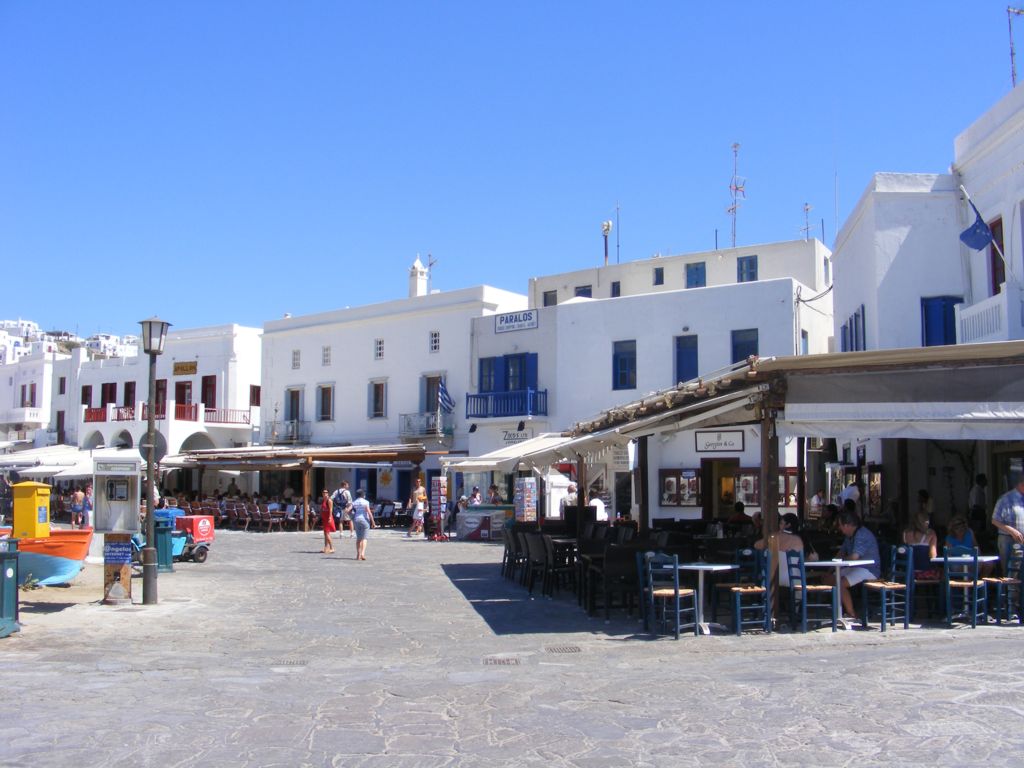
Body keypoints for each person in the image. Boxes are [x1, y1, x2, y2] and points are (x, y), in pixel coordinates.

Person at [826, 510, 881, 621]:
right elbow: (841, 552)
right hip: (855, 567)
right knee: (828, 579)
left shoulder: (862, 534)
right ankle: (838, 608)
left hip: (869, 569)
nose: (839, 528)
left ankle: (851, 614)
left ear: (847, 525)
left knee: (840, 583)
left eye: (840, 525)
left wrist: (839, 561)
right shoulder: (849, 536)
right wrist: (830, 570)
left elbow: (855, 556)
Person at [754, 512, 806, 587]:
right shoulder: (798, 540)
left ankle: (767, 597)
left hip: (771, 578)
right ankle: (798, 598)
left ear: (788, 525)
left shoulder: (774, 538)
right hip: (793, 579)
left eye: (781, 523)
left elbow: (756, 545)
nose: (779, 525)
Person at [992, 472, 1024, 576]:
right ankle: (1007, 592)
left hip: (1021, 541)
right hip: (1007, 539)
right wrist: (1012, 530)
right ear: (1021, 484)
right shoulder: (1006, 499)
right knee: (1009, 572)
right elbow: (995, 520)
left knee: (1020, 572)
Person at [902, 508, 939, 580]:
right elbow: (933, 555)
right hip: (924, 572)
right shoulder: (931, 533)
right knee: (944, 572)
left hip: (909, 572)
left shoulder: (905, 533)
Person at [350, 489, 375, 560]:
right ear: (363, 495)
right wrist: (373, 522)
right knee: (364, 538)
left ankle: (358, 554)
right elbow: (369, 512)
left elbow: (348, 510)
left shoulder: (354, 502)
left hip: (356, 520)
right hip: (364, 520)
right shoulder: (366, 502)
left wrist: (351, 516)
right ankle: (363, 554)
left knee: (358, 538)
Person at [319, 489, 335, 554]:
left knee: (327, 534)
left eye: (326, 492)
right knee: (325, 534)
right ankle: (326, 548)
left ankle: (332, 548)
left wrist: (330, 518)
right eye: (323, 492)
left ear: (328, 493)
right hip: (324, 519)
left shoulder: (329, 500)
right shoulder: (323, 500)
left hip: (328, 518)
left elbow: (331, 510)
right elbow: (322, 509)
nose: (325, 493)